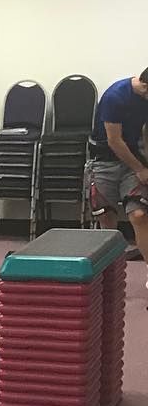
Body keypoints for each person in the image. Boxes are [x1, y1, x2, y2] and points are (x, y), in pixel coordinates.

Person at [87, 71, 148, 290]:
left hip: (133, 159)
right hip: (104, 160)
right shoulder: (116, 97)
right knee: (107, 218)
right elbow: (114, 140)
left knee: (140, 215)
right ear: (145, 86)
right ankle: (109, 276)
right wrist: (140, 169)